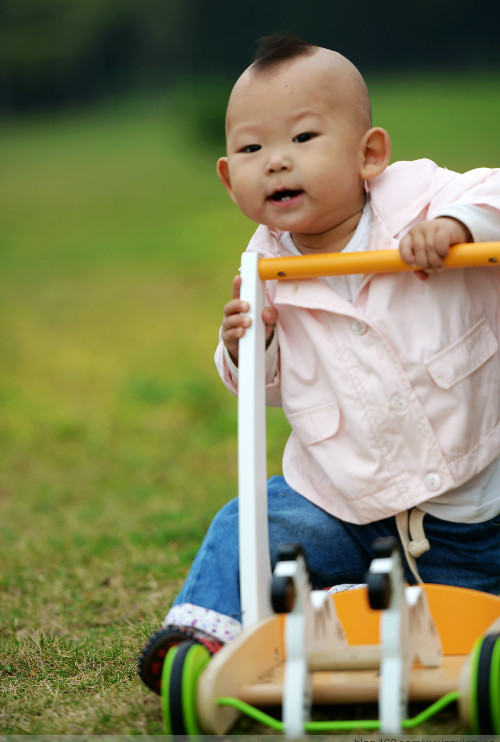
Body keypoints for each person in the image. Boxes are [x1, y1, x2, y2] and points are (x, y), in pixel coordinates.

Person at [139, 32, 500, 695]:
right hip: (343, 504)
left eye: (303, 138)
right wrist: (250, 347)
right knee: (254, 518)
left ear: (370, 154)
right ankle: (203, 635)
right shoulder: (264, 265)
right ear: (228, 176)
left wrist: (456, 227)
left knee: (471, 603)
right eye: (252, 149)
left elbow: (497, 194)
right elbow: (261, 392)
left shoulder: (425, 199)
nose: (275, 163)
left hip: (474, 506)